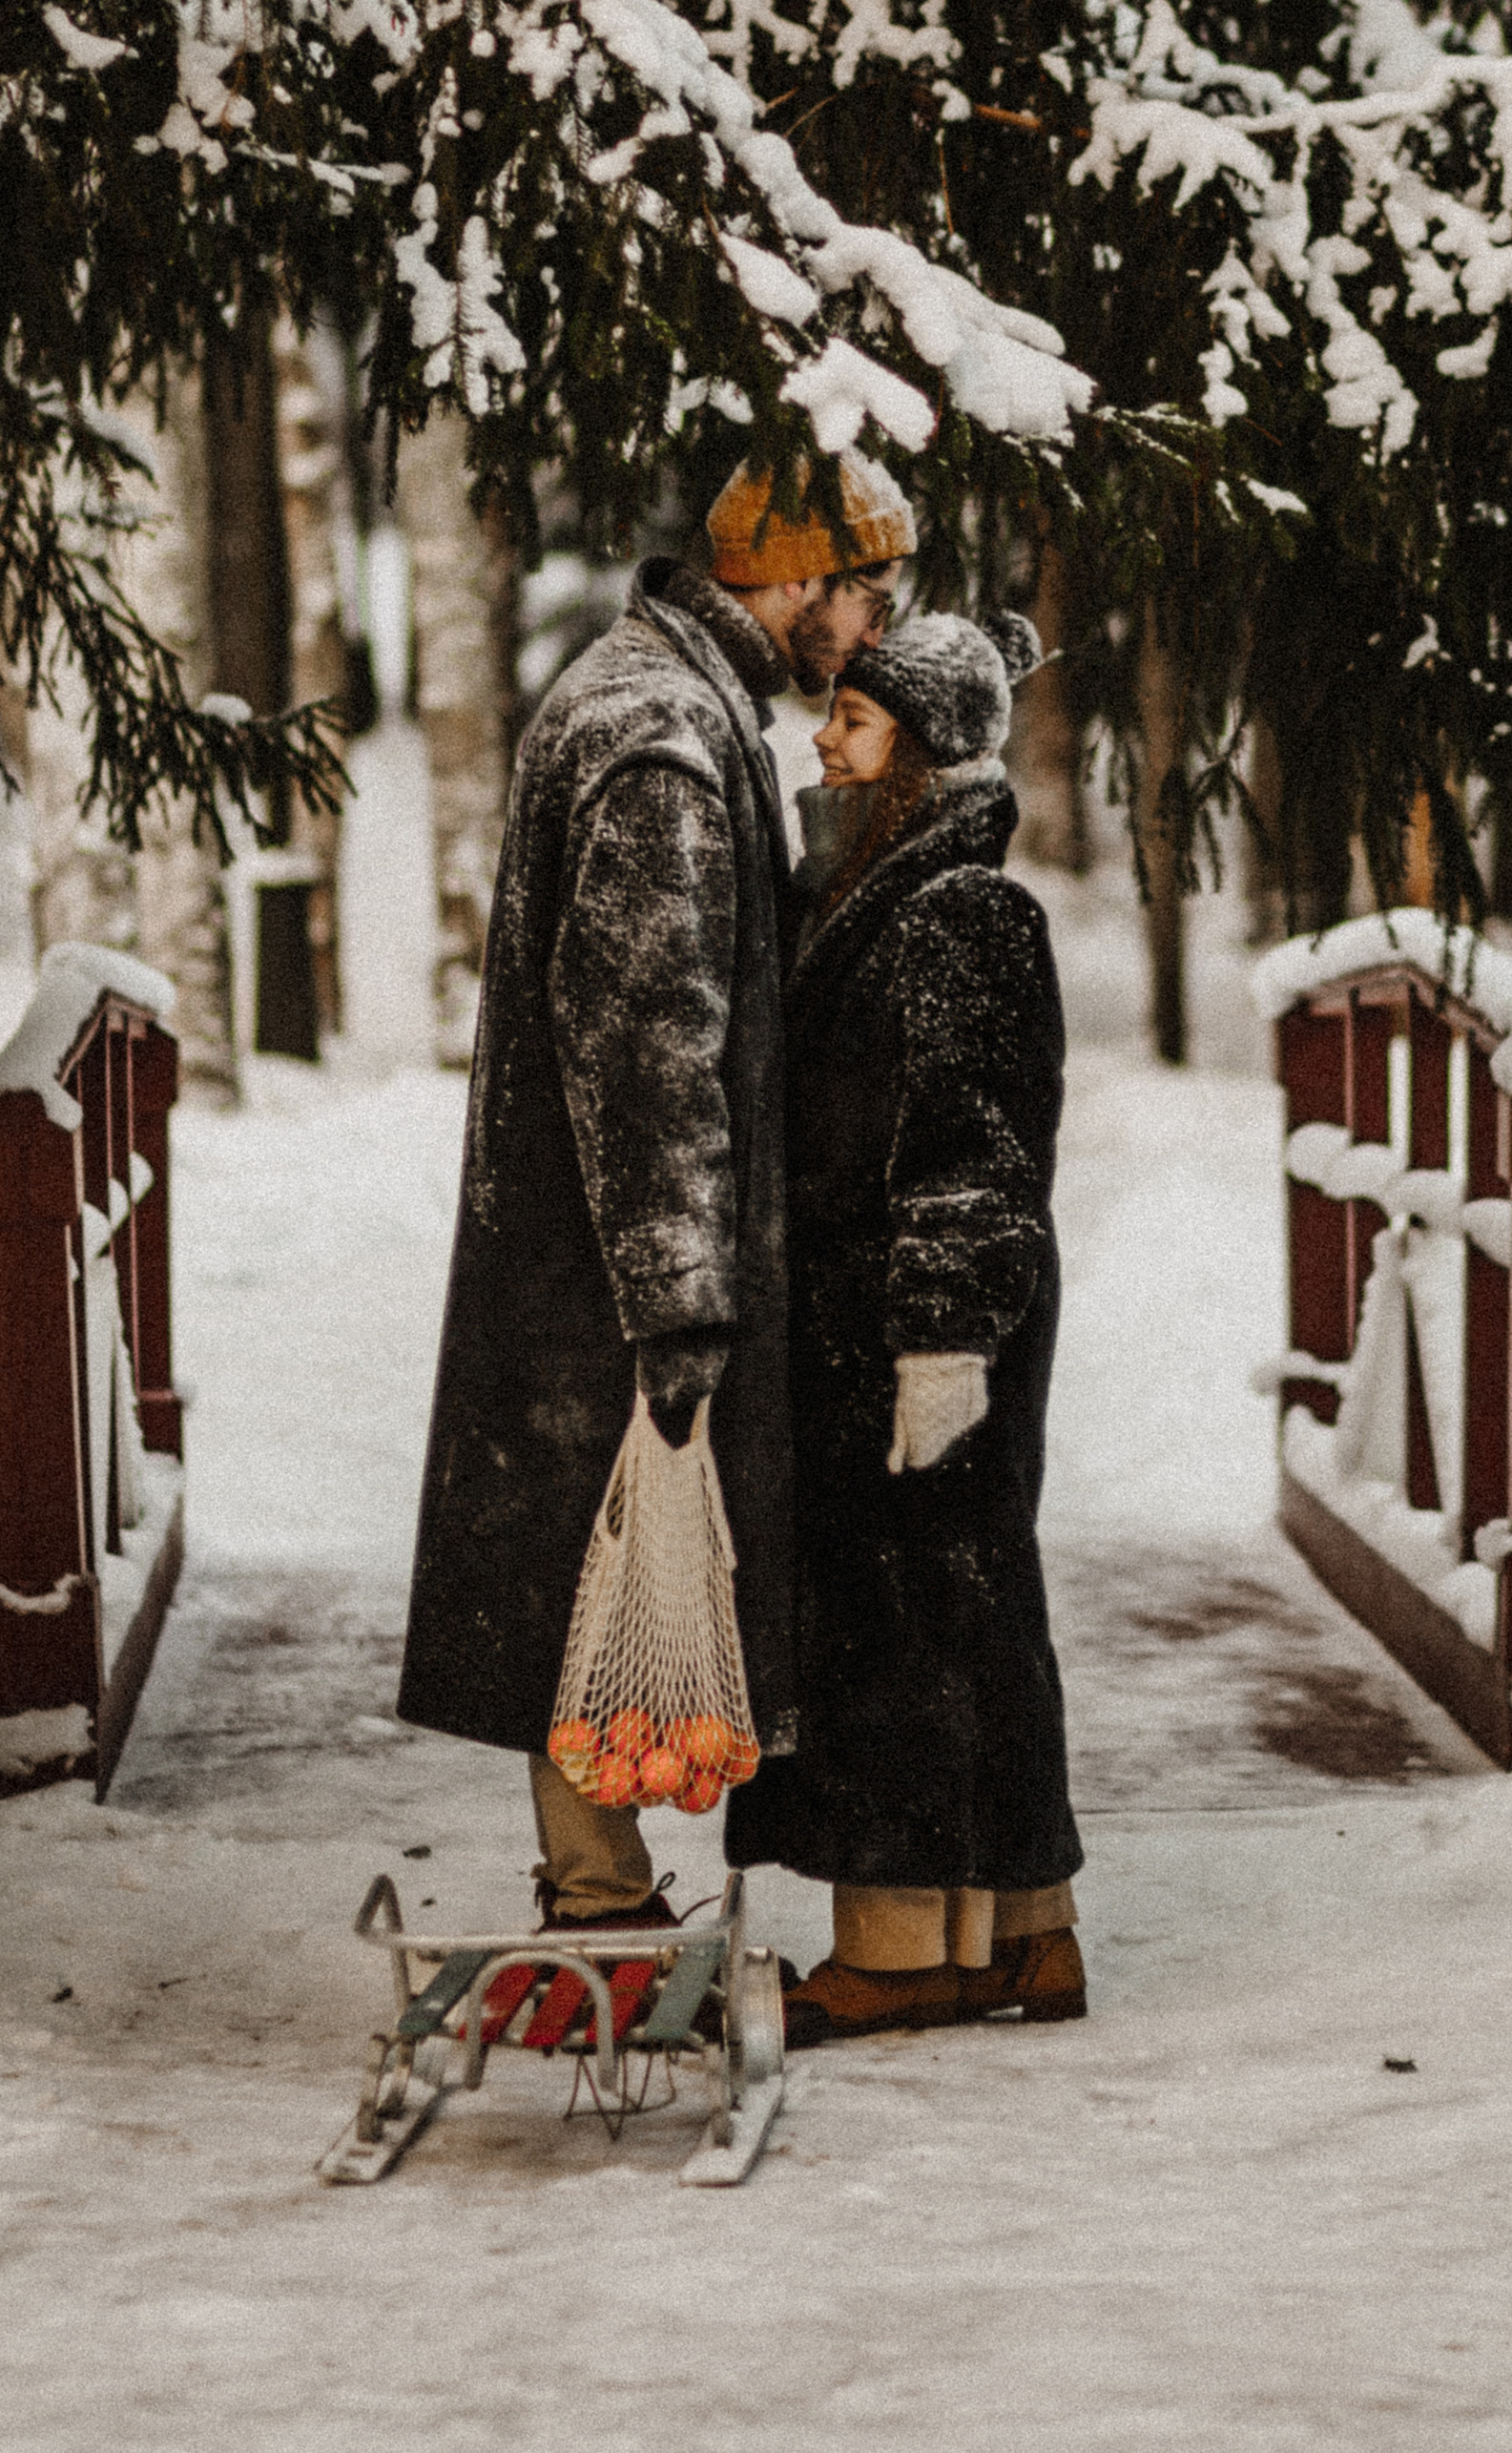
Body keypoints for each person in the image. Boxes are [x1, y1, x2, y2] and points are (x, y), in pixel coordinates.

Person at [396, 451, 912, 1930]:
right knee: (599, 1569)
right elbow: (647, 1038)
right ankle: (598, 1899)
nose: (875, 631)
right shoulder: (664, 736)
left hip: (588, 1249)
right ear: (795, 579)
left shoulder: (663, 699)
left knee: (594, 1573)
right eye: (867, 595)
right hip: (608, 1267)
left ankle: (600, 1888)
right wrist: (681, 1293)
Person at [723, 609, 1085, 2040]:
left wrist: (942, 1345)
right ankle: (1024, 1935)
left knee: (903, 1629)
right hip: (900, 1322)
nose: (822, 738)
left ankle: (900, 1949)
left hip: (920, 1328)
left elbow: (971, 1146)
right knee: (971, 1611)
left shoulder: (954, 913)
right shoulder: (895, 893)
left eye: (856, 723)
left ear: (924, 754)